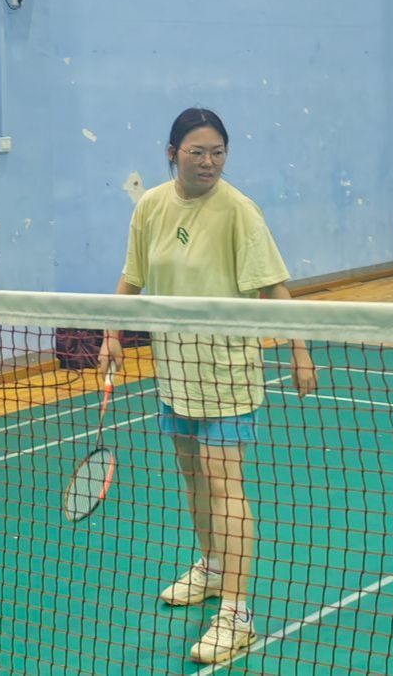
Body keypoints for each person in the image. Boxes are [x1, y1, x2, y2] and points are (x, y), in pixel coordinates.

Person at [99, 107, 317, 666]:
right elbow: (132, 277)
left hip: (227, 372)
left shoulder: (239, 210)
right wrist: (111, 335)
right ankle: (213, 568)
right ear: (172, 154)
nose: (209, 162)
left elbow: (275, 287)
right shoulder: (151, 206)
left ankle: (237, 613)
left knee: (225, 482)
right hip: (175, 368)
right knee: (193, 475)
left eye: (218, 152)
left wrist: (300, 350)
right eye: (197, 152)